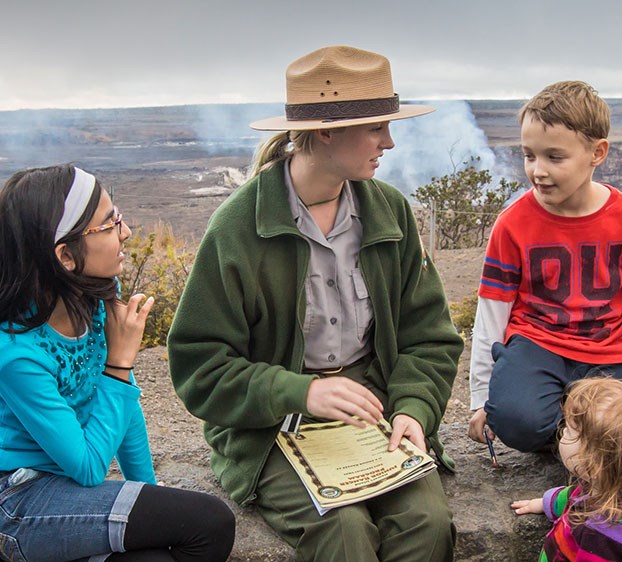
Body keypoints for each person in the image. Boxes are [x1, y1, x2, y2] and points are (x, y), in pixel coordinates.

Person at [166, 46, 462, 562]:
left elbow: (428, 335)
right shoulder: (237, 230)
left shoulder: (388, 212)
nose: (388, 142)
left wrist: (414, 408)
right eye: (376, 128)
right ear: (325, 131)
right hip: (275, 425)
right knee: (342, 529)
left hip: (376, 410)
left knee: (427, 522)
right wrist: (302, 392)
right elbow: (201, 369)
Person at [0, 164, 235, 562]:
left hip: (65, 490)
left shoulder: (93, 298)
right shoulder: (16, 353)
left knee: (161, 554)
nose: (125, 232)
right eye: (110, 225)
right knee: (211, 523)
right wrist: (119, 363)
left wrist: (149, 494)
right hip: (21, 504)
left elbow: (125, 409)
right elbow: (90, 468)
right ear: (65, 256)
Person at [467, 80, 622, 452]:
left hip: (607, 353)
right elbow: (492, 311)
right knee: (515, 422)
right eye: (529, 156)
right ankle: (576, 437)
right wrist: (481, 398)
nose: (537, 171)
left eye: (554, 158)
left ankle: (576, 436)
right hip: (536, 345)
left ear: (597, 152)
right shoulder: (512, 223)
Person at [512, 378, 622, 562]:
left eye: (572, 431)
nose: (562, 431)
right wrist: (545, 503)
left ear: (597, 463)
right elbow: (574, 496)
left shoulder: (601, 535)